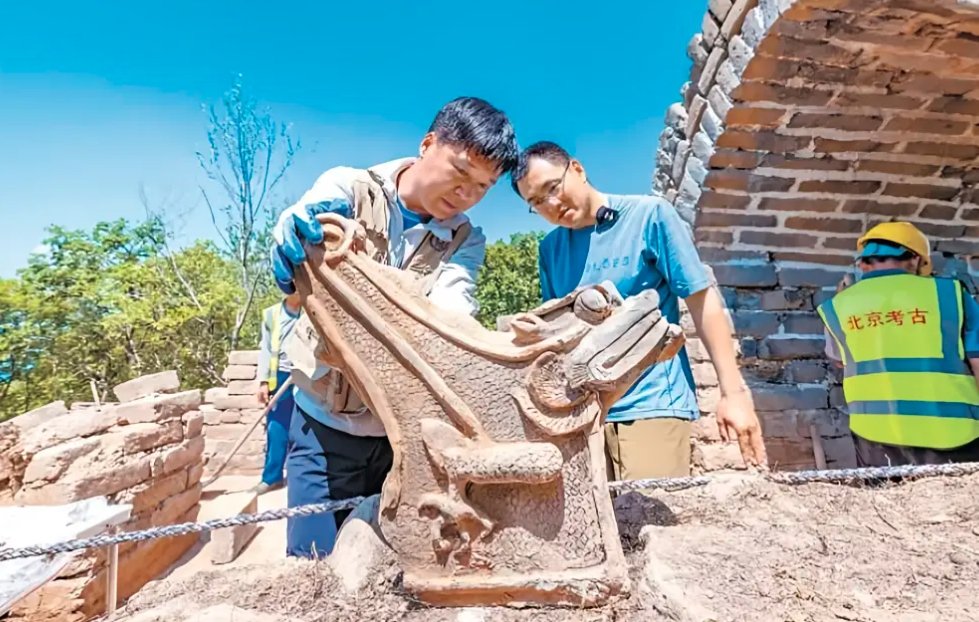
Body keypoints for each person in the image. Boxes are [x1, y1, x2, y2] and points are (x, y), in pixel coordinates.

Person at [269, 96, 518, 558]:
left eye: (482, 187)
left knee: (396, 564)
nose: (466, 194)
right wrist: (291, 234)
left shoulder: (466, 239)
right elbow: (305, 216)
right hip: (323, 426)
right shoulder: (351, 188)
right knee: (311, 565)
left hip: (398, 431)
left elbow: (450, 312)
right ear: (428, 144)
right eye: (461, 173)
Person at [511, 141, 767, 480]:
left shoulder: (649, 216)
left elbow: (702, 303)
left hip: (652, 406)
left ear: (577, 169)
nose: (551, 205)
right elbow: (560, 337)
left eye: (552, 188)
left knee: (653, 524)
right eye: (536, 202)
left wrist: (733, 394)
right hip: (585, 418)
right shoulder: (550, 250)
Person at [817, 221, 979, 467]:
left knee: (887, 504)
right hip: (954, 432)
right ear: (914, 259)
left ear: (864, 262)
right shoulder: (951, 293)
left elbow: (840, 361)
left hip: (876, 435)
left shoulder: (838, 305)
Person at [252, 293, 302, 494]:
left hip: (307, 376)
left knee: (306, 429)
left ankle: (300, 479)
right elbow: (265, 348)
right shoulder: (272, 314)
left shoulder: (312, 310)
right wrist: (263, 381)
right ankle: (272, 477)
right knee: (276, 428)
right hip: (280, 377)